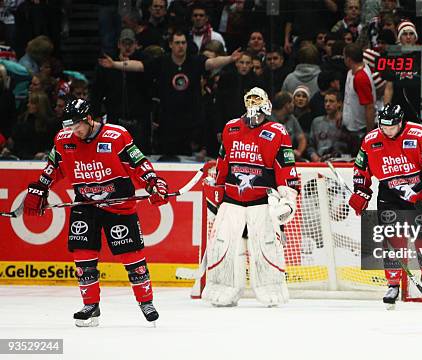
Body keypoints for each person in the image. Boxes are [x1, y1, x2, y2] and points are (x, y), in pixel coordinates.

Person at [22, 99, 169, 326]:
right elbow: (53, 167)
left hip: (119, 205)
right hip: (85, 204)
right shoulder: (63, 140)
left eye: (78, 125)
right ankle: (91, 305)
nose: (74, 131)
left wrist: (154, 184)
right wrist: (40, 187)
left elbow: (139, 163)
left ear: (90, 119)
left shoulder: (116, 136)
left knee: (131, 255)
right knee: (82, 254)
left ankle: (146, 302)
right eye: (69, 126)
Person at [203, 87, 299, 307]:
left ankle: (271, 287)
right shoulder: (231, 127)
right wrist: (216, 192)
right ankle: (223, 287)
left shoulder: (277, 131)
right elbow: (222, 164)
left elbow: (286, 167)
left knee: (266, 247)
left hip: (262, 203)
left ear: (266, 106)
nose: (255, 115)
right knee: (223, 246)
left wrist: (288, 198)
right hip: (231, 201)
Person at [349, 104, 422, 307]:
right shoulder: (371, 140)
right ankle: (393, 284)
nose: (387, 131)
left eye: (391, 127)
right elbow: (361, 169)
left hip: (417, 193)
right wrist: (361, 192)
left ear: (400, 122)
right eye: (383, 127)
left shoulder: (418, 134)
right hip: (389, 195)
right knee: (393, 240)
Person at [98, 30, 241, 157]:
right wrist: (115, 65)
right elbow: (140, 66)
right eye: (177, 42)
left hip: (191, 120)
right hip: (168, 121)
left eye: (183, 43)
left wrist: (230, 59)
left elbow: (212, 62)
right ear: (171, 44)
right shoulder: (162, 62)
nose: (181, 46)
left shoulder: (194, 61)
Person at [306, 90, 348, 162]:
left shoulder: (346, 122)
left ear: (339, 103)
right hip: (320, 160)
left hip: (340, 161)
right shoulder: (316, 122)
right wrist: (314, 156)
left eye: (331, 101)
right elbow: (310, 145)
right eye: (325, 101)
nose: (327, 104)